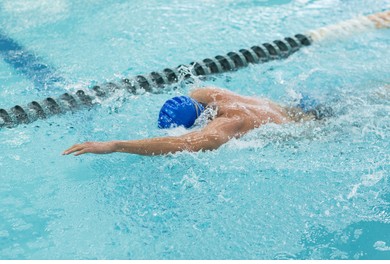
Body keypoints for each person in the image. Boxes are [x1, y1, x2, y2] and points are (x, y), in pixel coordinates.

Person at [62, 87, 324, 156]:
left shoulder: (225, 126)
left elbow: (183, 145)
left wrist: (116, 145)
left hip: (311, 130)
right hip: (299, 108)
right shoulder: (207, 95)